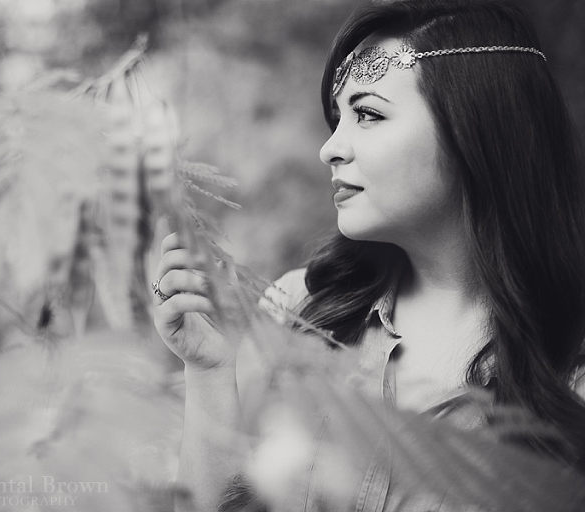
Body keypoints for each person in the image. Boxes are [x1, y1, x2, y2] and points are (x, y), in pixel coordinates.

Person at [152, 0, 585, 510]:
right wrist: (208, 370)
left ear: (476, 126)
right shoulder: (299, 310)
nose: (330, 148)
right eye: (338, 119)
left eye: (369, 114)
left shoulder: (569, 369)